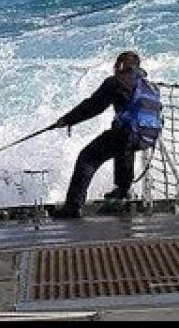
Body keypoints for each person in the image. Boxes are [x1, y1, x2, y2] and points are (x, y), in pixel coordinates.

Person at [48, 50, 153, 219]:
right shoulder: (147, 85)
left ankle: (73, 206)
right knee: (123, 143)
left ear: (118, 67)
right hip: (147, 136)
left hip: (129, 134)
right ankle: (123, 190)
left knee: (87, 157)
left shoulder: (114, 83)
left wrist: (67, 120)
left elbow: (93, 107)